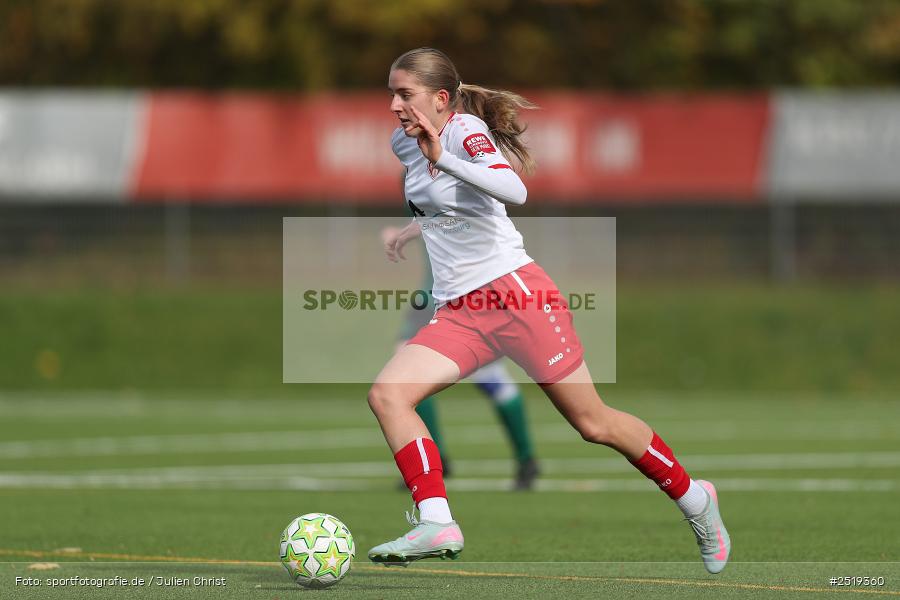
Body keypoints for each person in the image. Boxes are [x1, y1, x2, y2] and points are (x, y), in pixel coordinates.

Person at [367, 47, 730, 574]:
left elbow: (512, 189)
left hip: (516, 299)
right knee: (388, 395)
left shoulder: (465, 133)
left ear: (440, 99)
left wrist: (442, 156)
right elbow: (450, 207)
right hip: (462, 311)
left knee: (594, 423)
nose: (395, 105)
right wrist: (413, 227)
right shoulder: (404, 141)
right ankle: (436, 520)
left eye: (406, 94)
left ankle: (695, 499)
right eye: (392, 94)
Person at [382, 222, 540, 490]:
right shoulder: (416, 182)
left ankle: (525, 459)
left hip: (467, 292)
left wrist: (407, 231)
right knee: (406, 373)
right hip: (436, 293)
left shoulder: (458, 183)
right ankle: (438, 458)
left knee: (488, 375)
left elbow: (452, 215)